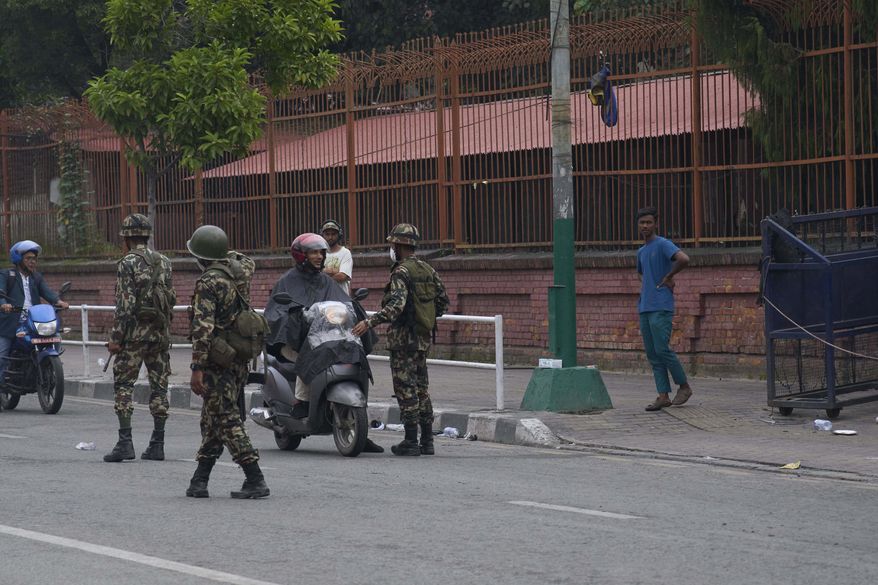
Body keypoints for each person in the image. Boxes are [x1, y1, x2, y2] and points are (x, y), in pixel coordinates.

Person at [263, 233, 384, 453]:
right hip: (296, 340)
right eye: (313, 252)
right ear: (301, 255)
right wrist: (297, 317)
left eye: (321, 252)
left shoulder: (326, 281)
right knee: (307, 356)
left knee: (354, 353)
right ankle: (301, 402)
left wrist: (356, 314)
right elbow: (277, 311)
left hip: (326, 336)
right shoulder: (287, 281)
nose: (319, 256)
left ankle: (359, 428)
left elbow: (343, 302)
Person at [185, 224, 269, 499]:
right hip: (238, 357)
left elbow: (203, 327)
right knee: (213, 420)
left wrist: (197, 367)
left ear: (201, 257)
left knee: (225, 417)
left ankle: (254, 477)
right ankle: (199, 480)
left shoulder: (208, 282)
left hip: (216, 361)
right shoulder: (241, 272)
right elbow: (246, 258)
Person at [352, 223, 449, 456]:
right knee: (422, 389)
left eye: (393, 244)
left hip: (403, 340)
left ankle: (410, 440)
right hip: (422, 339)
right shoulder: (427, 269)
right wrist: (424, 318)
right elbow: (442, 302)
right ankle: (427, 440)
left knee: (406, 389)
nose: (391, 248)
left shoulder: (401, 272)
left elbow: (396, 306)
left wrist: (369, 323)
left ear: (398, 245)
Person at [103, 214, 176, 462]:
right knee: (159, 387)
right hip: (160, 335)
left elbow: (125, 306)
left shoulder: (128, 263)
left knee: (124, 386)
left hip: (133, 337)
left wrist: (116, 338)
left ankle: (125, 443)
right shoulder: (164, 261)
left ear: (127, 237)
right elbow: (170, 299)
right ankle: (158, 443)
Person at [635, 206, 694, 412]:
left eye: (649, 222)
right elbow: (641, 274)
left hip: (661, 306)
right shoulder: (641, 251)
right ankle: (663, 396)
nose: (645, 226)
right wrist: (648, 287)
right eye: (642, 222)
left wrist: (669, 277)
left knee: (662, 349)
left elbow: (684, 259)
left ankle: (684, 387)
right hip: (645, 307)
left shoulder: (662, 244)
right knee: (652, 354)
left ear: (656, 223)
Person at [0, 240, 69, 396]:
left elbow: (47, 293)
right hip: (11, 322)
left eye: (34, 259)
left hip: (32, 320)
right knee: (2, 355)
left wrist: (59, 302)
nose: (32, 262)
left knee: (54, 336)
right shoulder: (6, 275)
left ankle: (47, 367)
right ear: (18, 260)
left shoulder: (36, 278)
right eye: (28, 258)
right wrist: (4, 304)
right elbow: (0, 292)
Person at [321, 219, 353, 295]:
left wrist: (322, 275)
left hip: (341, 300)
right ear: (322, 235)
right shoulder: (318, 253)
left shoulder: (345, 253)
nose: (330, 237)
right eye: (327, 234)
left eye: (333, 234)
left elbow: (342, 276)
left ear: (339, 235)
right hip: (321, 300)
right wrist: (334, 271)